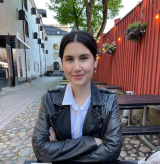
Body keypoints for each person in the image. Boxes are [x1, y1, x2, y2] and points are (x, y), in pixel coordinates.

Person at [32, 30, 122, 162]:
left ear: (95, 61)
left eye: (83, 58)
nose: (76, 67)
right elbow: (40, 150)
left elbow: (112, 151)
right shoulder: (49, 100)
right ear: (62, 63)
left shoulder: (109, 100)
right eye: (69, 59)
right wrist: (91, 142)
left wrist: (58, 152)